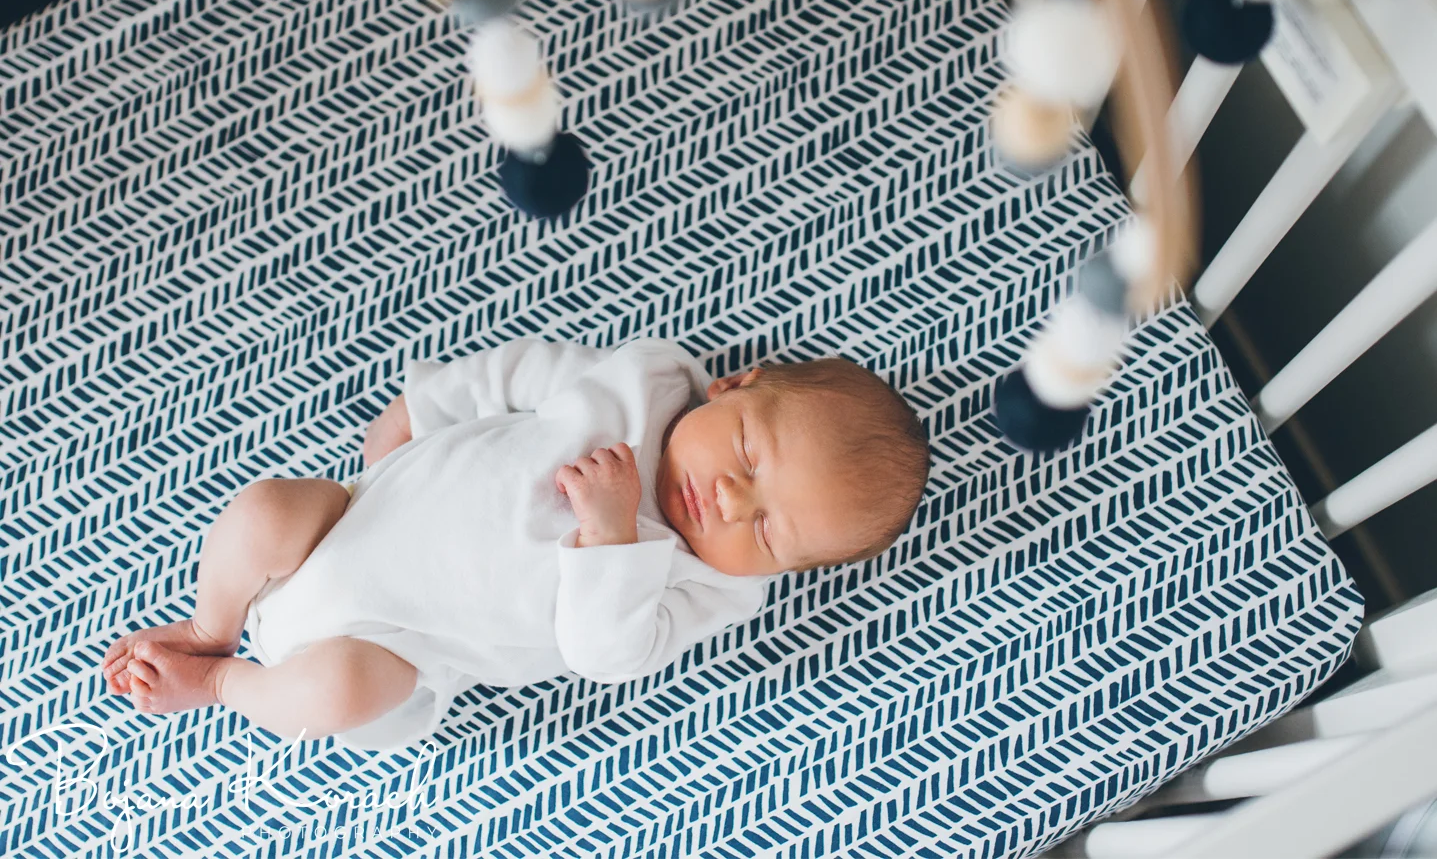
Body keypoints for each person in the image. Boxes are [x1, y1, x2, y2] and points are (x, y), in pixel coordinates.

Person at [101, 339, 929, 750]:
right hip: (351, 514)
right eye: (747, 456)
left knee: (333, 696)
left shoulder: (707, 588)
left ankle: (220, 682)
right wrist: (424, 409)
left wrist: (608, 535)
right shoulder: (644, 381)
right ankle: (209, 625)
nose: (728, 502)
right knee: (262, 512)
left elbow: (608, 651)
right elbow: (523, 375)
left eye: (768, 531)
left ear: (779, 572)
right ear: (732, 386)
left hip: (395, 648)